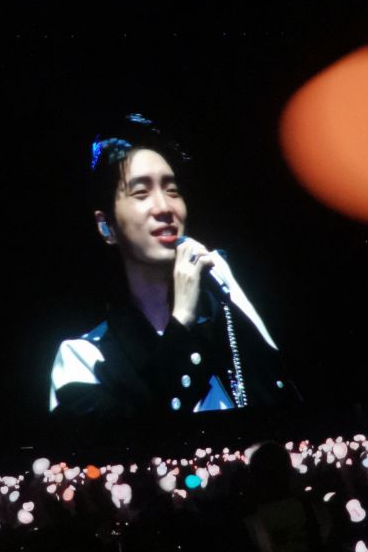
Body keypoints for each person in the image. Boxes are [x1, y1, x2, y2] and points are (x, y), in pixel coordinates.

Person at [49, 113, 299, 442]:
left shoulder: (225, 300)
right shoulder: (82, 358)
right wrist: (181, 320)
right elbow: (132, 446)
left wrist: (232, 295)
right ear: (106, 226)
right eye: (141, 193)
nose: (164, 207)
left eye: (173, 190)